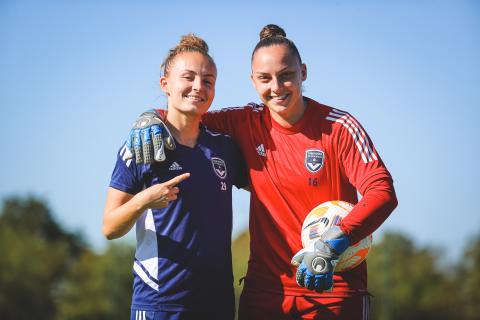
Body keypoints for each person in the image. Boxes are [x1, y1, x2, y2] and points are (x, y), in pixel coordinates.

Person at [124, 25, 398, 319]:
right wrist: (151, 117)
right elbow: (187, 116)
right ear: (253, 81)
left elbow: (382, 191)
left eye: (287, 75)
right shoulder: (243, 122)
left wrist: (335, 242)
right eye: (265, 78)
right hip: (264, 296)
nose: (277, 87)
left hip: (332, 291)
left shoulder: (339, 127)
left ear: (303, 72)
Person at [102, 34, 247, 320]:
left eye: (208, 80)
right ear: (165, 84)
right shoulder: (141, 146)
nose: (198, 87)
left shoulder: (225, 147)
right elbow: (109, 227)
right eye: (188, 77)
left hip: (217, 304)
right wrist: (144, 200)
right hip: (160, 303)